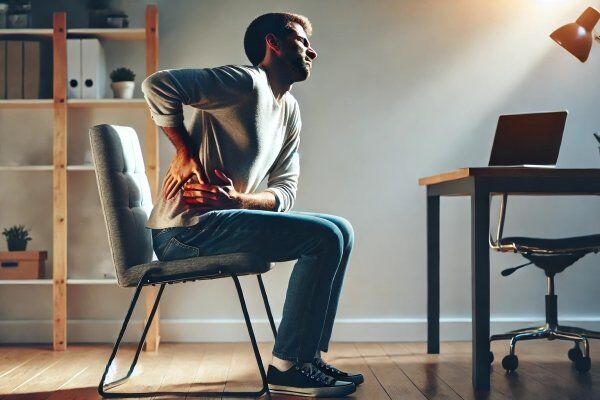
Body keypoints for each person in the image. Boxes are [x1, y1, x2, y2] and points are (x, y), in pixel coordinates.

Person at [142, 12, 362, 398]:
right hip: (184, 231)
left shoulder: (289, 108)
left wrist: (241, 199)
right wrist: (185, 152)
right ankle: (289, 366)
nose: (313, 50)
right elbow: (158, 85)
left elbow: (285, 189)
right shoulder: (245, 81)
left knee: (341, 229)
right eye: (301, 40)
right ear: (272, 44)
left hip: (221, 219)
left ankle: (306, 358)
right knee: (325, 236)